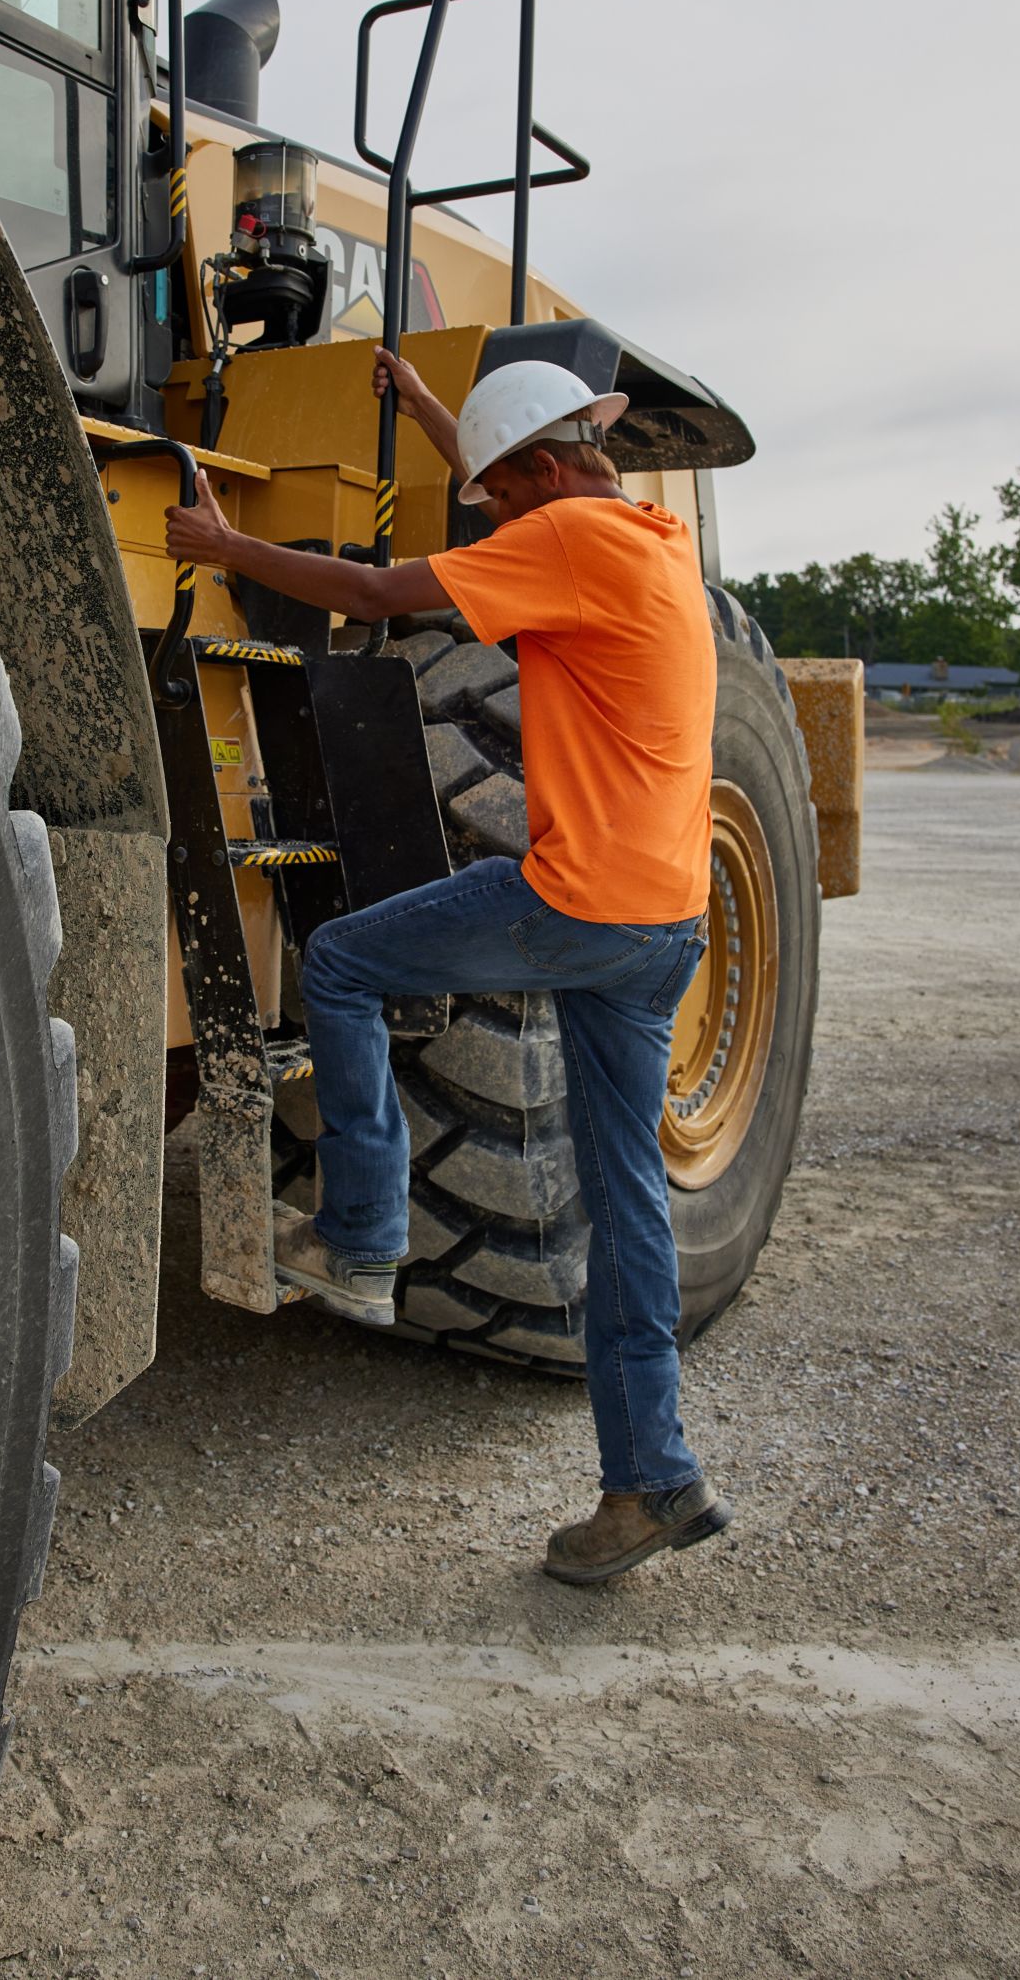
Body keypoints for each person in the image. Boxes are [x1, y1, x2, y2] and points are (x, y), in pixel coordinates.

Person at [165, 347, 731, 1586]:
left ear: (542, 471)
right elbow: (513, 470)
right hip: (661, 926)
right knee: (626, 1198)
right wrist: (428, 406)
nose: (499, 518)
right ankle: (651, 1480)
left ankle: (363, 1233)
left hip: (577, 902)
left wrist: (224, 547)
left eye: (502, 493)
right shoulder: (646, 540)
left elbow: (372, 594)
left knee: (348, 956)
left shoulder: (563, 540)